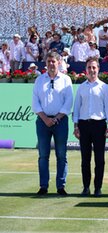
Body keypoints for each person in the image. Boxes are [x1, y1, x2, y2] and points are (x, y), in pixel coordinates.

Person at [32, 51, 73, 196]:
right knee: (43, 155)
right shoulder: (39, 80)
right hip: (43, 122)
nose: (51, 64)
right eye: (49, 61)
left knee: (61, 155)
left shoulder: (66, 80)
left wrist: (55, 119)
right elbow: (35, 103)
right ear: (46, 63)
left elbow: (69, 102)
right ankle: (43, 186)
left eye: (53, 61)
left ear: (59, 62)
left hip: (60, 121)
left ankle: (60, 186)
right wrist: (45, 118)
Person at [73, 57, 108, 197]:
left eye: (94, 67)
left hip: (99, 125)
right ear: (86, 70)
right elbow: (77, 107)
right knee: (85, 159)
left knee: (99, 159)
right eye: (89, 67)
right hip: (84, 125)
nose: (92, 70)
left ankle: (98, 188)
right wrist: (76, 126)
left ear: (98, 69)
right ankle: (86, 187)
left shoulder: (104, 87)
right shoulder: (81, 87)